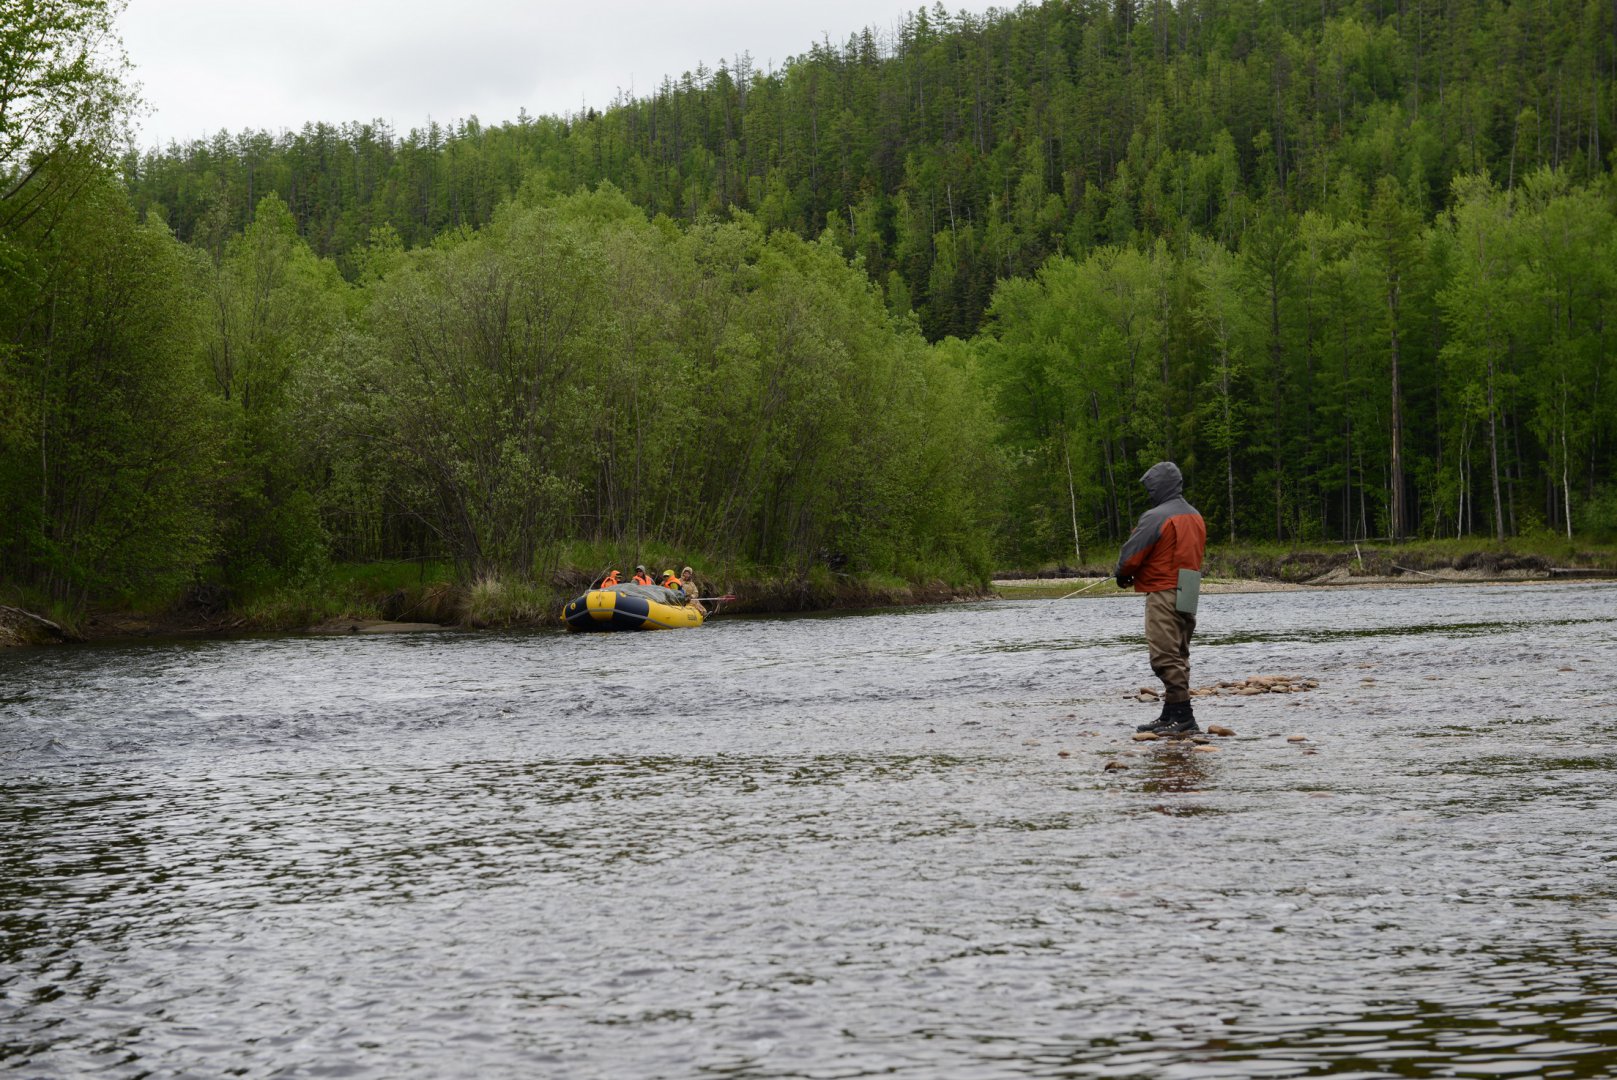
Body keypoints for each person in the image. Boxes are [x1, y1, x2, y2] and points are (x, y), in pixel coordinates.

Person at [1114, 462, 1207, 736]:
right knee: (1179, 652)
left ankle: (1183, 717)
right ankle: (1170, 713)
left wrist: (1122, 574)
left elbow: (1131, 555)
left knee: (1165, 656)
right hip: (1189, 588)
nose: (1149, 492)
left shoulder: (1156, 516)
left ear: (1159, 486)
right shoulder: (1196, 516)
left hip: (1163, 591)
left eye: (1150, 487)